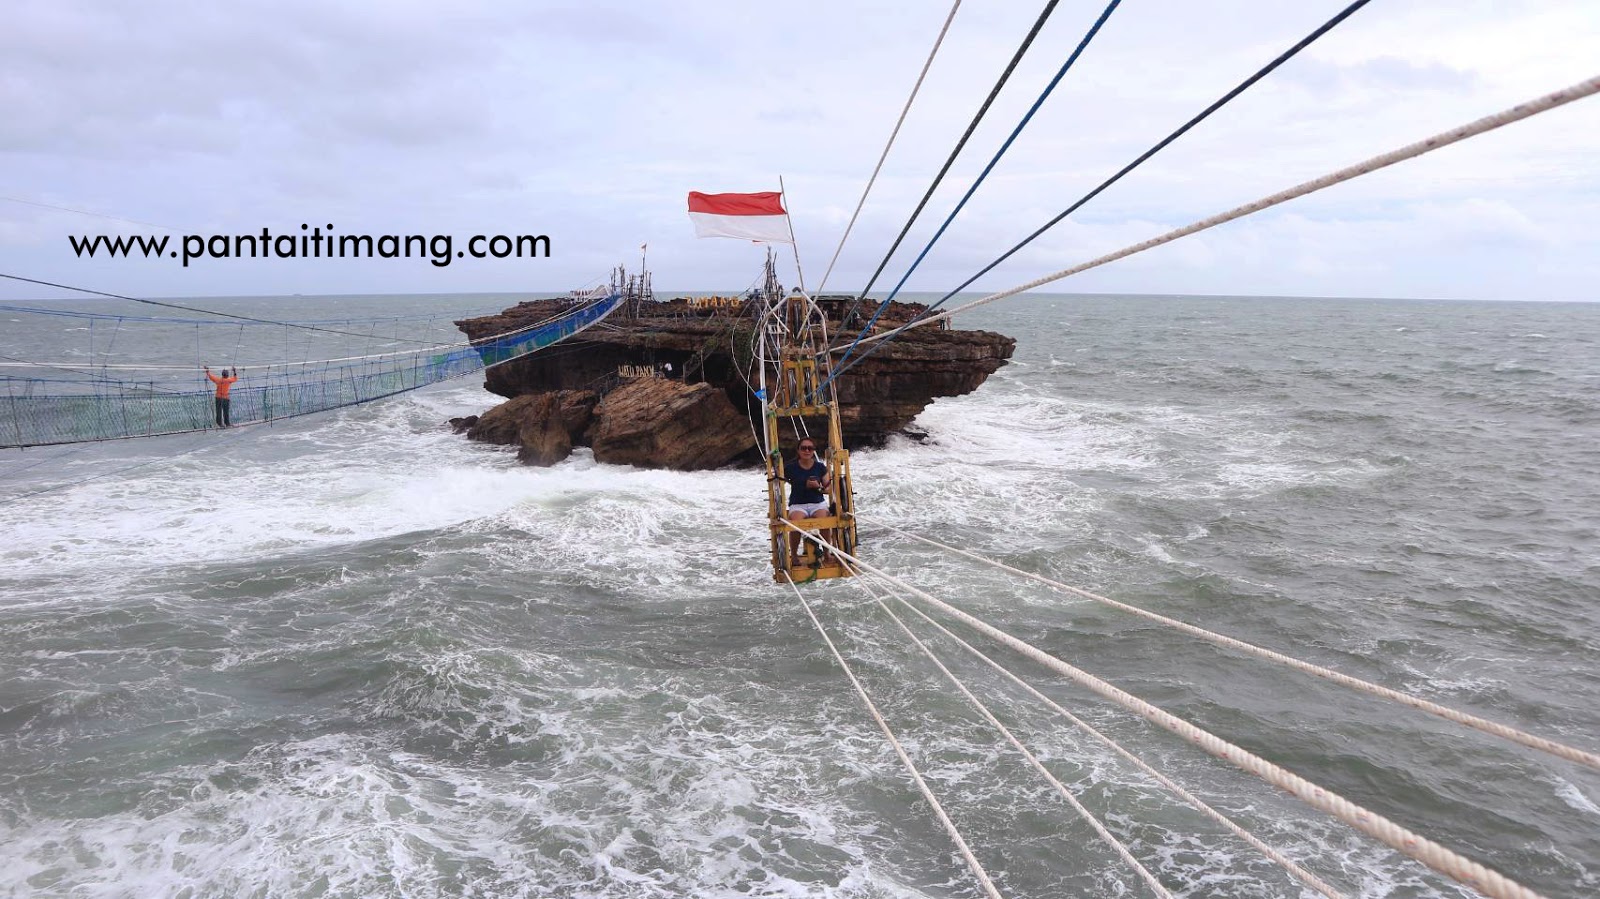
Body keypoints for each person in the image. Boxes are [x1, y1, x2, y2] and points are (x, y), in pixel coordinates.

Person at [784, 439, 831, 560]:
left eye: (810, 448)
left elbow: (828, 489)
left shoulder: (820, 467)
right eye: (803, 448)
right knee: (796, 524)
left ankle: (826, 553)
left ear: (813, 451)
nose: (807, 451)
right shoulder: (790, 468)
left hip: (817, 503)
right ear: (798, 450)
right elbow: (777, 484)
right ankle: (794, 555)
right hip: (798, 504)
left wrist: (818, 487)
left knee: (824, 522)